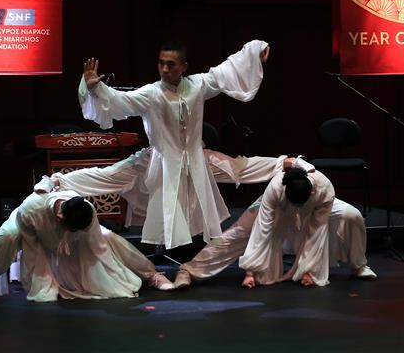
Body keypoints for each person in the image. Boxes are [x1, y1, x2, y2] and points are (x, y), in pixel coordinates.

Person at [0, 150, 307, 302]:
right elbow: (101, 177)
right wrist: (56, 181)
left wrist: (281, 161)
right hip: (37, 219)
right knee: (5, 237)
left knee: (112, 241)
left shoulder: (199, 162)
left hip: (72, 217)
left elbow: (238, 167)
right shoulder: (141, 164)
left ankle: (152, 274)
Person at [62, 40, 270, 249]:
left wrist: (255, 52)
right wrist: (96, 89)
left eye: (170, 64)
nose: (164, 69)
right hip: (158, 160)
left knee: (237, 169)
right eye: (161, 63)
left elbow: (224, 71)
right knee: (110, 177)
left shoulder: (197, 85)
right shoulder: (151, 93)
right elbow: (119, 100)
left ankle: (289, 164)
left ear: (184, 67)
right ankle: (56, 182)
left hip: (194, 161)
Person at [173, 166, 376, 289]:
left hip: (316, 206)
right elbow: (263, 232)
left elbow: (316, 233)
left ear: (312, 191)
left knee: (352, 215)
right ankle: (189, 270)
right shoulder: (276, 188)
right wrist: (251, 271)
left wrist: (310, 271)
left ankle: (359, 265)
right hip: (279, 206)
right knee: (239, 232)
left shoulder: (324, 190)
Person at [13, 190, 173, 301]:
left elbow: (98, 246)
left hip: (83, 239)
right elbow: (32, 249)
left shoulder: (85, 209)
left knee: (110, 238)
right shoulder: (31, 210)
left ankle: (152, 275)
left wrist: (114, 276)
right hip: (48, 244)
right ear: (60, 217)